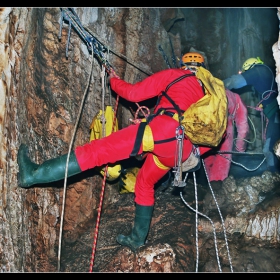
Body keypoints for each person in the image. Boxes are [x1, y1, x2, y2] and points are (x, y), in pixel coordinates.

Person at [17, 53, 216, 252]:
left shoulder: (176, 75)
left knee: (96, 152)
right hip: (181, 152)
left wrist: (114, 81)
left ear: (183, 65)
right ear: (203, 68)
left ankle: (33, 175)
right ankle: (137, 239)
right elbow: (213, 138)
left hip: (162, 132)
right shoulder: (211, 95)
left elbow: (133, 93)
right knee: (145, 183)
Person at [223, 57, 280, 173]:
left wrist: (216, 85)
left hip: (276, 116)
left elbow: (234, 82)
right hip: (274, 114)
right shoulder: (266, 71)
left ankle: (274, 176)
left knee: (269, 148)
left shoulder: (258, 70)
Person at [202, 89, 249, 183]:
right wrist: (239, 151)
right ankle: (216, 187)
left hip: (204, 123)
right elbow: (243, 130)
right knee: (223, 159)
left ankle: (209, 183)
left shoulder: (211, 88)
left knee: (207, 156)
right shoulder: (236, 98)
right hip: (225, 124)